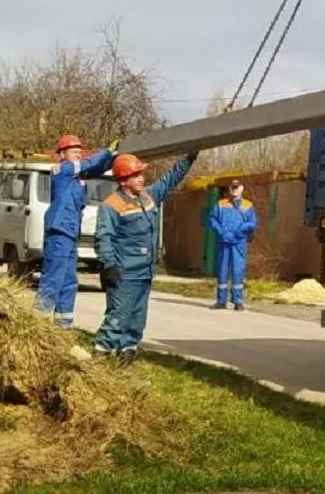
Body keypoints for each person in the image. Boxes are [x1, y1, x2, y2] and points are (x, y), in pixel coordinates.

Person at [92, 150, 198, 363]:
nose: (142, 178)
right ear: (123, 181)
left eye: (141, 174)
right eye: (137, 175)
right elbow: (103, 238)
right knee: (117, 318)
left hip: (144, 272)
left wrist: (189, 159)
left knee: (137, 320)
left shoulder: (148, 196)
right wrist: (109, 266)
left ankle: (126, 357)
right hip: (124, 274)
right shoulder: (111, 205)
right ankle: (99, 359)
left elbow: (170, 179)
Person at [38, 133, 117, 329]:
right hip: (59, 229)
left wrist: (114, 158)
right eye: (74, 151)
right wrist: (107, 151)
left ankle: (64, 324)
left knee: (69, 280)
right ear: (62, 154)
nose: (78, 155)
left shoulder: (78, 176)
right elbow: (90, 163)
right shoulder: (62, 169)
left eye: (79, 152)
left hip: (70, 232)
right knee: (53, 276)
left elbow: (97, 167)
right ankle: (36, 321)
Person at [208, 179, 257, 311]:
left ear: (242, 188)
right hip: (224, 242)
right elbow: (212, 219)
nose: (234, 189)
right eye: (232, 187)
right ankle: (221, 300)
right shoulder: (221, 204)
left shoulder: (248, 205)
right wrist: (221, 232)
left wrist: (241, 229)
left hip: (238, 242)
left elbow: (253, 223)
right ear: (229, 189)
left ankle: (238, 301)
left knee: (238, 270)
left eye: (237, 187)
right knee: (222, 271)